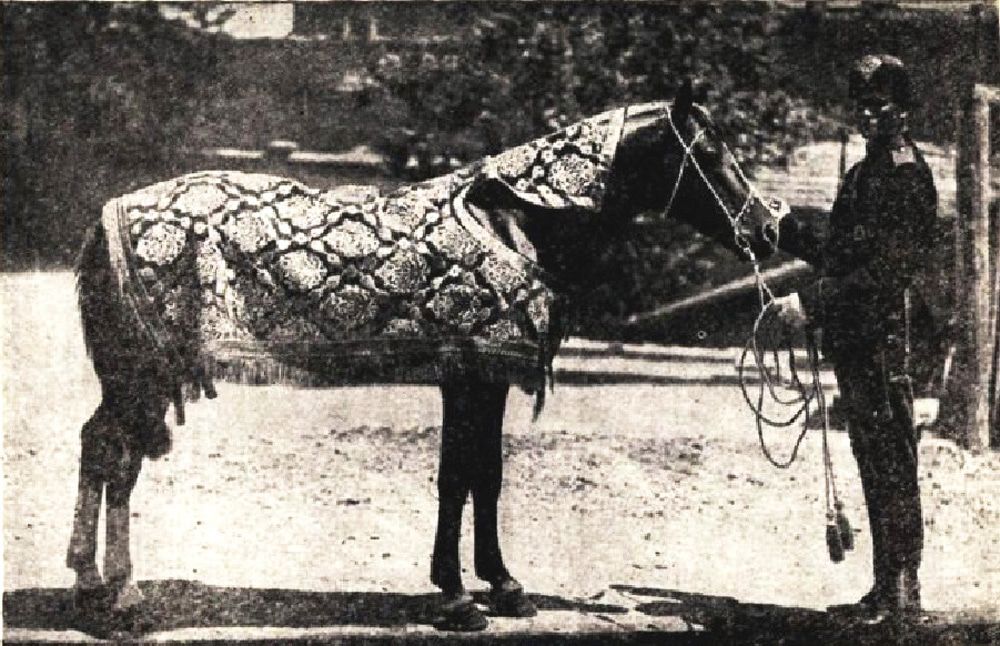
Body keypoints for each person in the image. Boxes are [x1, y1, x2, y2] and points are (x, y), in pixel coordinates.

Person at [773, 54, 941, 620]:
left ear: (904, 111)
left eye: (879, 106)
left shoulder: (906, 175)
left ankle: (903, 593)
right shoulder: (863, 173)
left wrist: (811, 303)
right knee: (872, 457)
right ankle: (884, 587)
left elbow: (888, 271)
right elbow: (839, 256)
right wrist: (786, 231)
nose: (868, 115)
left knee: (893, 461)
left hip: (888, 340)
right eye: (862, 106)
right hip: (857, 341)